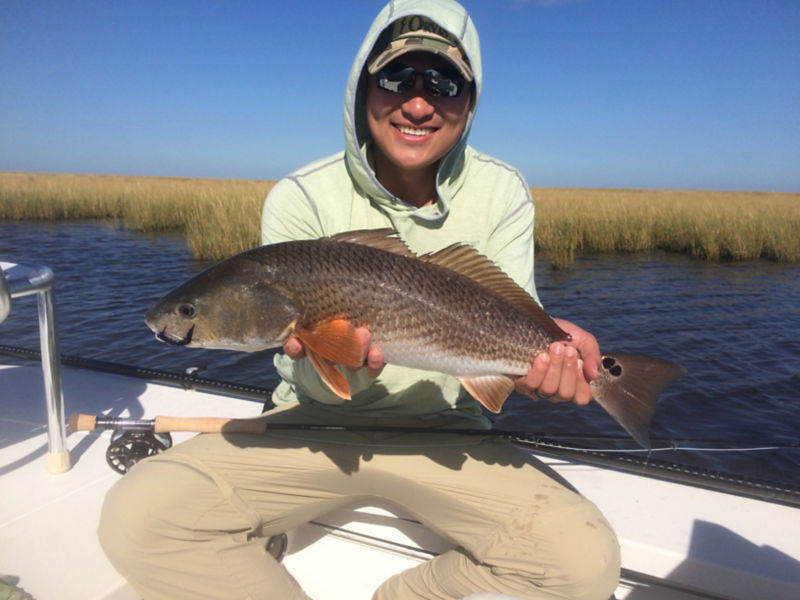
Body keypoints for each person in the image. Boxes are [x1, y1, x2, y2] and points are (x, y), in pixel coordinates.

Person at [99, 1, 621, 599]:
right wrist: (328, 355)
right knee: (138, 518)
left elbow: (516, 321)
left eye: (445, 82)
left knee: (586, 564)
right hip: (309, 423)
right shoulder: (300, 195)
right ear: (363, 89)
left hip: (451, 431)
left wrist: (541, 367)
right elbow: (317, 359)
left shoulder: (502, 190)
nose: (419, 103)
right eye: (397, 78)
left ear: (470, 102)